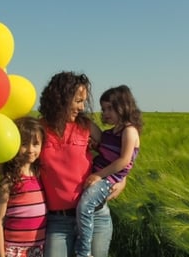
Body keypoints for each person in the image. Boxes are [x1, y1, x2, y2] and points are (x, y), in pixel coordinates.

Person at [38, 71, 127, 257]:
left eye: (84, 101)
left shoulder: (87, 126)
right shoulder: (39, 129)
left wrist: (122, 179)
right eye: (78, 100)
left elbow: (116, 156)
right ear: (61, 98)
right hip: (59, 221)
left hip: (95, 215)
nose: (82, 107)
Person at [74, 85, 143, 257]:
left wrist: (98, 175)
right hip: (102, 176)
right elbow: (104, 148)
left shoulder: (129, 131)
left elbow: (124, 161)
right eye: (104, 109)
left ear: (124, 105)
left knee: (85, 205)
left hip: (107, 180)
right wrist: (96, 146)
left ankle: (83, 252)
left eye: (110, 108)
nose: (105, 113)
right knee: (86, 205)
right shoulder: (110, 133)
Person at [0, 117, 47, 257]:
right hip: (13, 250)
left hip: (38, 248)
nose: (30, 149)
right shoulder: (9, 179)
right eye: (24, 144)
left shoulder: (41, 175)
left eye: (36, 144)